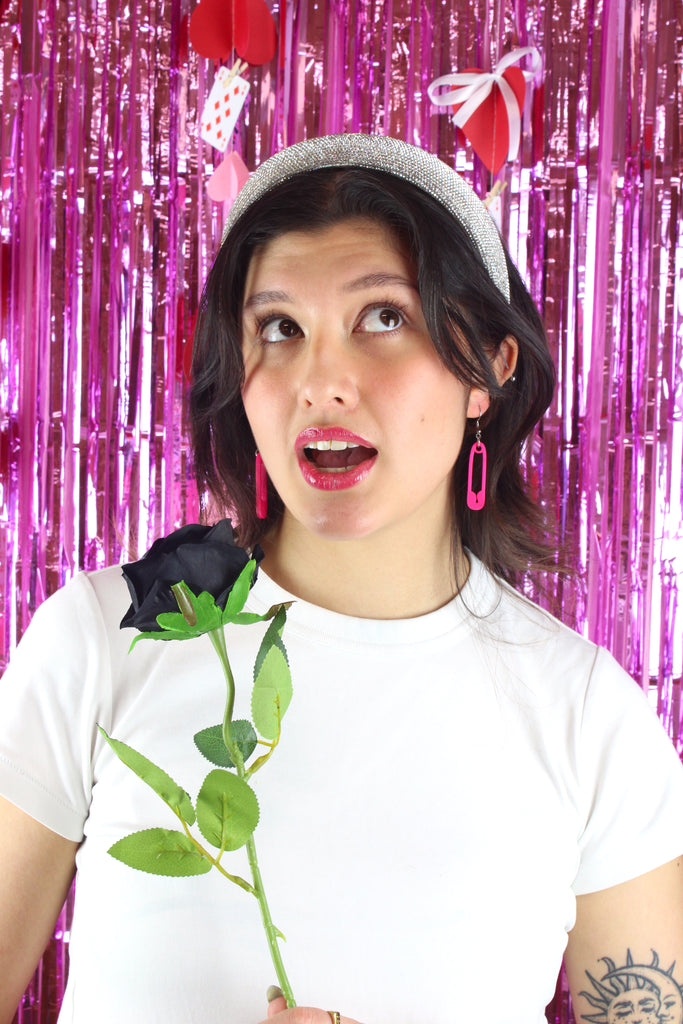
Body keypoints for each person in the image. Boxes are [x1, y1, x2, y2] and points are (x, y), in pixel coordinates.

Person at [0, 134, 682, 1024]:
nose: (321, 381)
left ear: (488, 365)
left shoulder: (592, 723)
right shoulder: (103, 638)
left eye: (382, 318)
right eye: (279, 329)